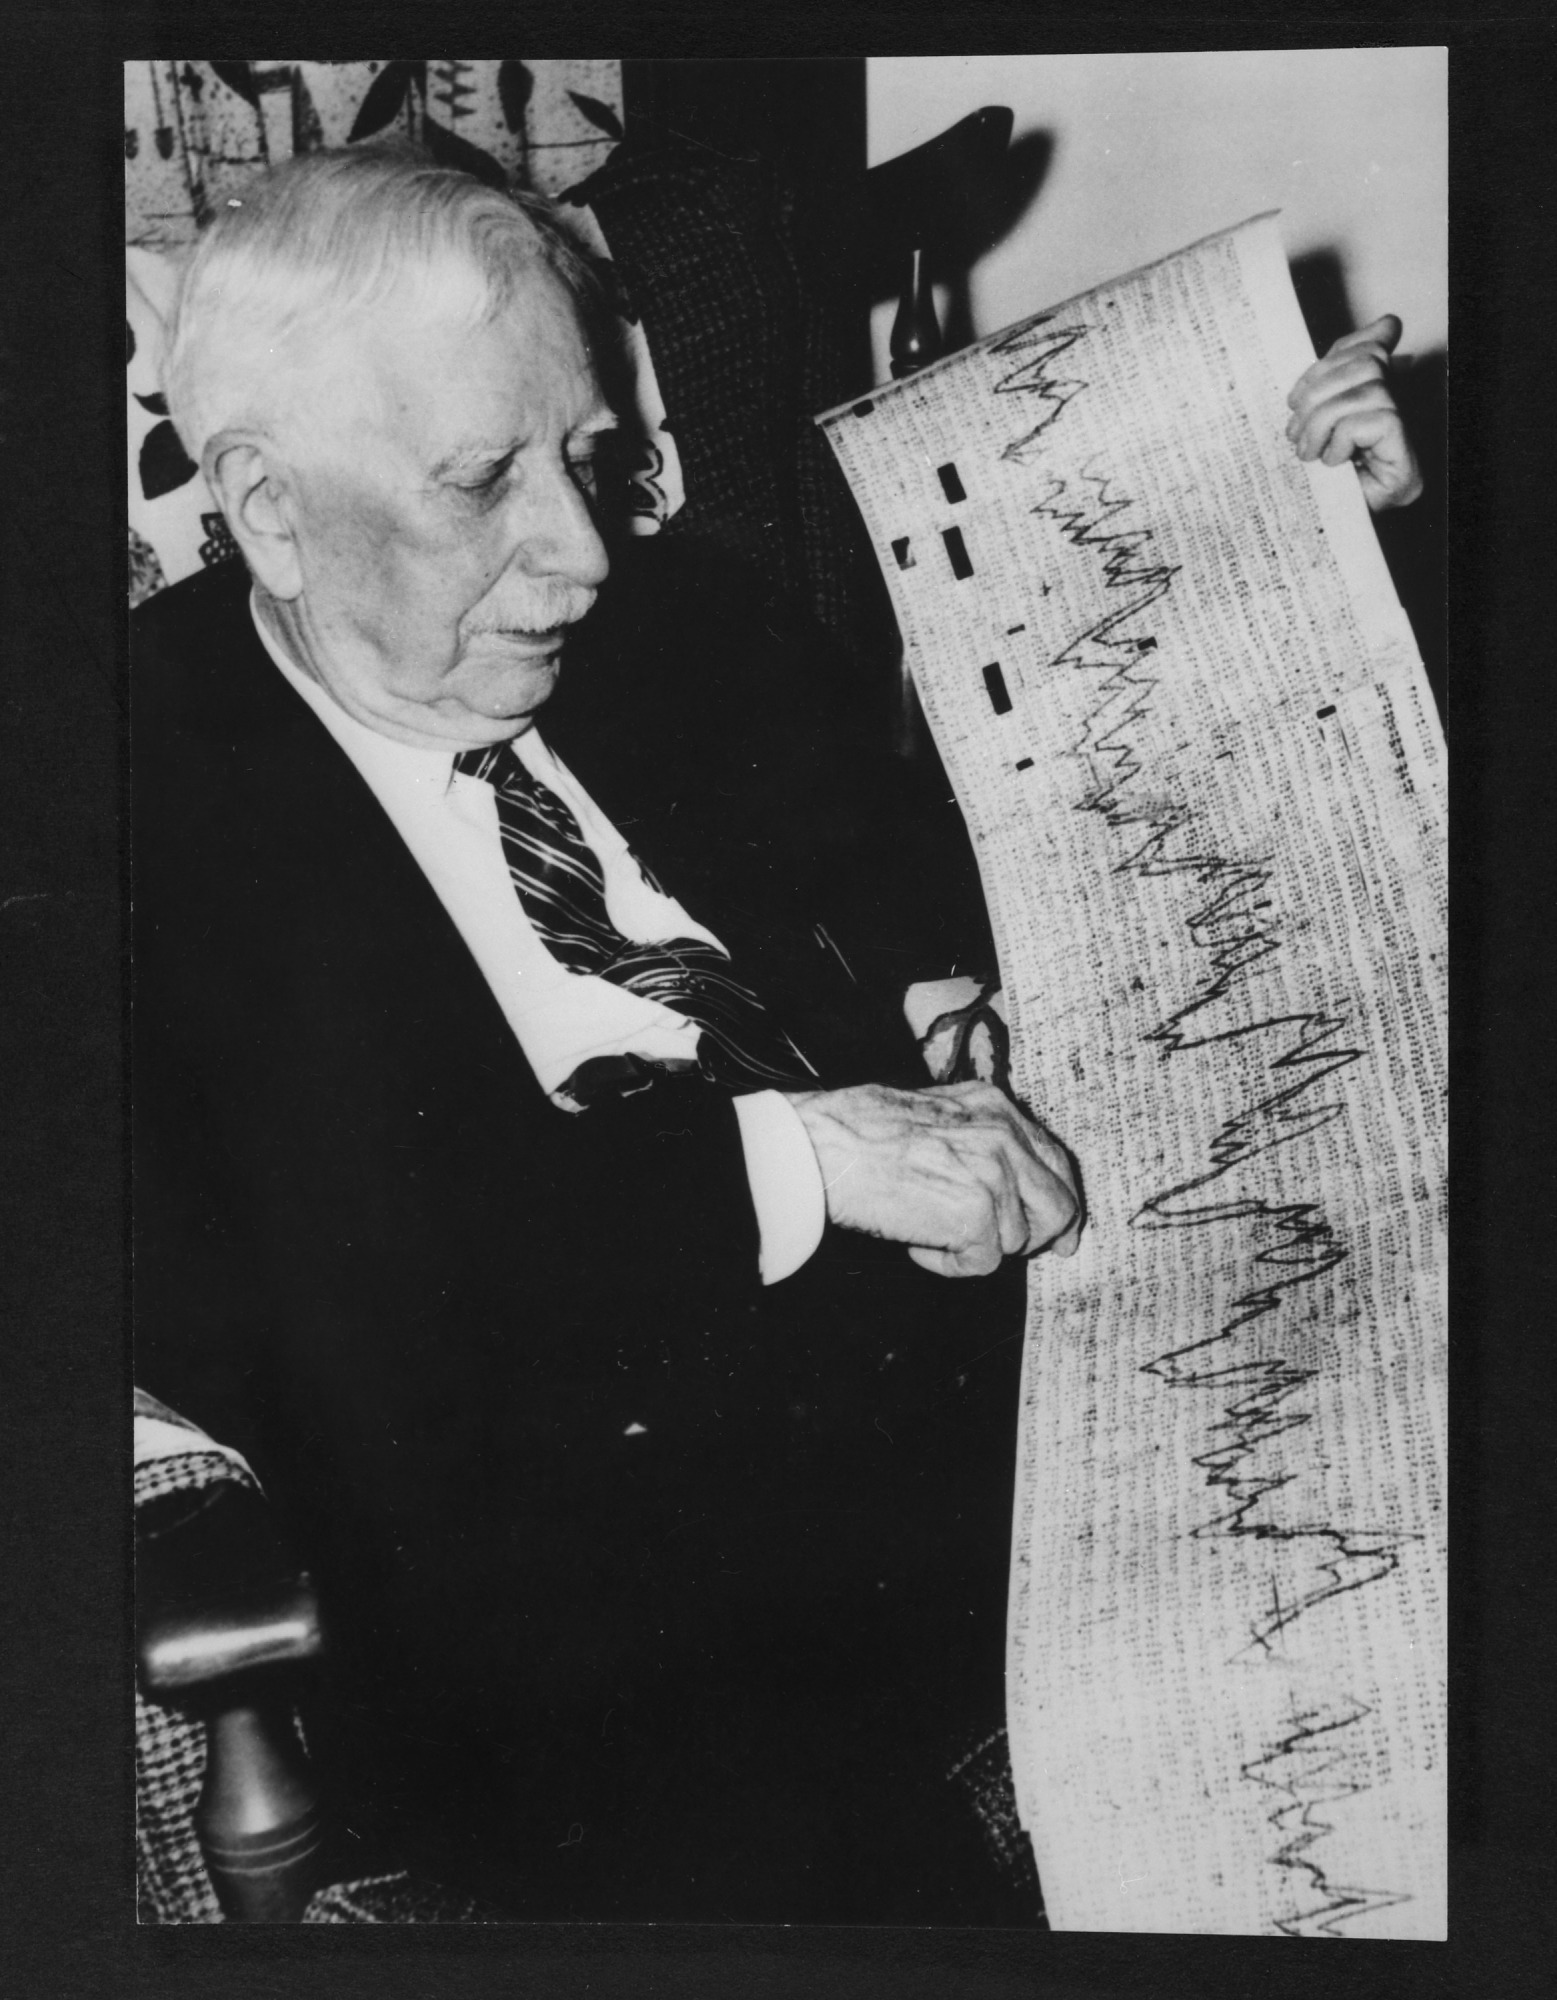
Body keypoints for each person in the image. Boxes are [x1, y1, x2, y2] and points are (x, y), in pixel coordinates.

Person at [132, 145, 1422, 1923]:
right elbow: (311, 1288)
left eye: (590, 456)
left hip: (1026, 1417)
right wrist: (806, 1155)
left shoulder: (674, 619)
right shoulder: (123, 801)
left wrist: (1303, 529)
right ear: (267, 510)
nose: (581, 551)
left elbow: (945, 839)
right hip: (602, 1621)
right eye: (482, 481)